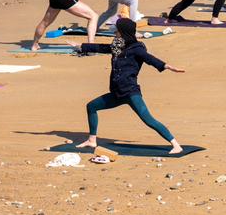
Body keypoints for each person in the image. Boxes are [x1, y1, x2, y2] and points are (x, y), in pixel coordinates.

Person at [77, 17, 186, 154]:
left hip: (130, 92)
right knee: (91, 106)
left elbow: (149, 59)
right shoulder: (118, 46)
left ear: (123, 32)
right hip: (117, 93)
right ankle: (92, 140)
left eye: (117, 30)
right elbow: (102, 47)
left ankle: (176, 145)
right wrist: (81, 46)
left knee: (148, 119)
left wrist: (166, 66)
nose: (115, 32)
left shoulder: (137, 49)